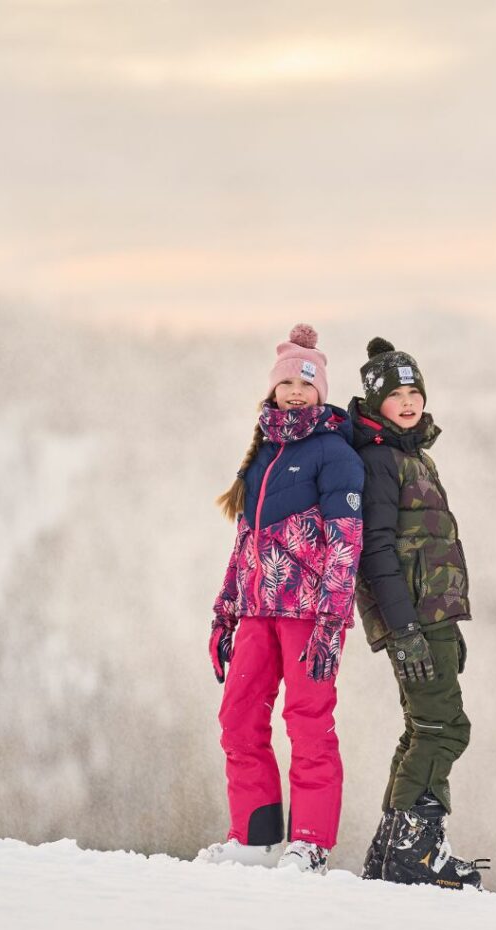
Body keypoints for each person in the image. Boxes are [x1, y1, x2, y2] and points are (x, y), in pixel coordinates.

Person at [196, 324, 364, 873]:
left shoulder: (334, 453)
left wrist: (331, 620)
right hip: (257, 613)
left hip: (309, 615)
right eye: (287, 382)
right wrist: (226, 611)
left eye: (307, 384)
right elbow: (245, 543)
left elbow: (346, 540)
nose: (296, 392)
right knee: (239, 719)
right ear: (273, 389)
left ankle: (309, 842)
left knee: (308, 721)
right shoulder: (263, 452)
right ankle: (256, 837)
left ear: (322, 393)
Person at [348, 338, 488, 889]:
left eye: (415, 392)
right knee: (444, 728)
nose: (408, 402)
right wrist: (404, 629)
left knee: (422, 727)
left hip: (431, 618)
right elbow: (376, 549)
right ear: (375, 401)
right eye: (395, 394)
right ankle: (416, 850)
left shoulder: (413, 455)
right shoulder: (381, 460)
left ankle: (391, 851)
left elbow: (429, 548)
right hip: (412, 620)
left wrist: (446, 624)